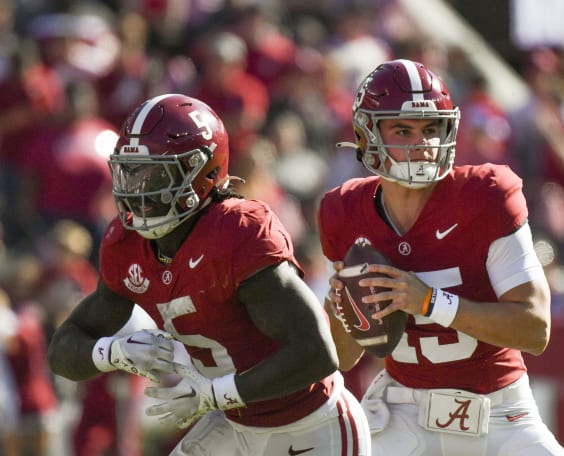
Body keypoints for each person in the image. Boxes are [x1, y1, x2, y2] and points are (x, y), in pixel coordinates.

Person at [47, 93, 370, 455]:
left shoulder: (237, 232)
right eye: (132, 173)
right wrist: (114, 352)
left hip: (309, 422)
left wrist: (215, 394)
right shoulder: (126, 244)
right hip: (232, 419)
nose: (138, 193)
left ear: (203, 172)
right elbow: (62, 351)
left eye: (155, 175)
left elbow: (317, 352)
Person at [319, 59, 564, 455]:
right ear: (367, 135)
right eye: (403, 129)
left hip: (499, 412)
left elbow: (535, 329)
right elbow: (345, 358)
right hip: (402, 412)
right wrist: (344, 308)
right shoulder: (343, 209)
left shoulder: (485, 195)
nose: (423, 144)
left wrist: (431, 302)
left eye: (431, 128)